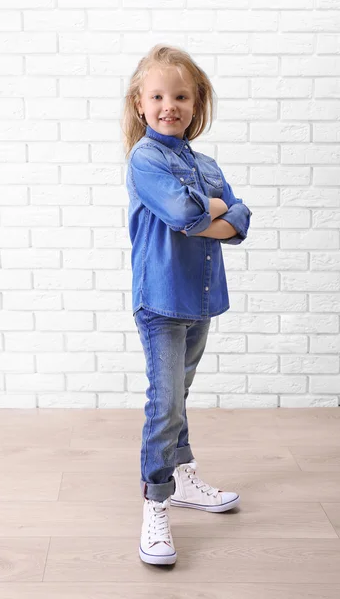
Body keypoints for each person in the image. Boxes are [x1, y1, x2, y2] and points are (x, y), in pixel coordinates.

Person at [122, 44, 253, 566]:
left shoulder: (206, 163)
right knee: (166, 403)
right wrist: (214, 210)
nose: (168, 105)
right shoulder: (145, 158)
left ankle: (182, 477)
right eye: (158, 96)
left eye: (180, 96)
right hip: (160, 298)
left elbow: (240, 221)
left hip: (198, 298)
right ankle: (155, 504)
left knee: (180, 395)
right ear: (140, 104)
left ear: (197, 104)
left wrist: (218, 213)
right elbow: (181, 212)